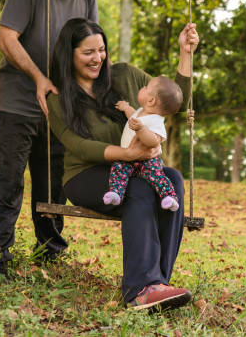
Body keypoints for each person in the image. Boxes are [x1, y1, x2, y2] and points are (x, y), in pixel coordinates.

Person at [0, 0, 118, 275]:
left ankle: (49, 253)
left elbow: (90, 44)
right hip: (18, 104)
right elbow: (6, 37)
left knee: (53, 185)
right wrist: (39, 77)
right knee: (8, 181)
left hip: (60, 107)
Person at [48, 18, 199, 311]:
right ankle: (140, 289)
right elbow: (76, 144)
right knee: (140, 189)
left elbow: (173, 101)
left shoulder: (126, 76)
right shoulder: (59, 97)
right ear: (70, 54)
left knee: (173, 181)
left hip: (134, 169)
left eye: (101, 50)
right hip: (85, 175)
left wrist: (185, 53)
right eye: (87, 52)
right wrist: (127, 155)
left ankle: (158, 285)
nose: (98, 58)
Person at [103, 76, 183, 212]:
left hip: (147, 161)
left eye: (146, 87)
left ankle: (169, 197)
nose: (143, 87)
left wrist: (141, 130)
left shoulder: (156, 120)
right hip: (128, 159)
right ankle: (116, 193)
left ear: (151, 100)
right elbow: (133, 116)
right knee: (118, 169)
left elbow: (154, 141)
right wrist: (126, 108)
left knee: (157, 176)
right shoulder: (141, 112)